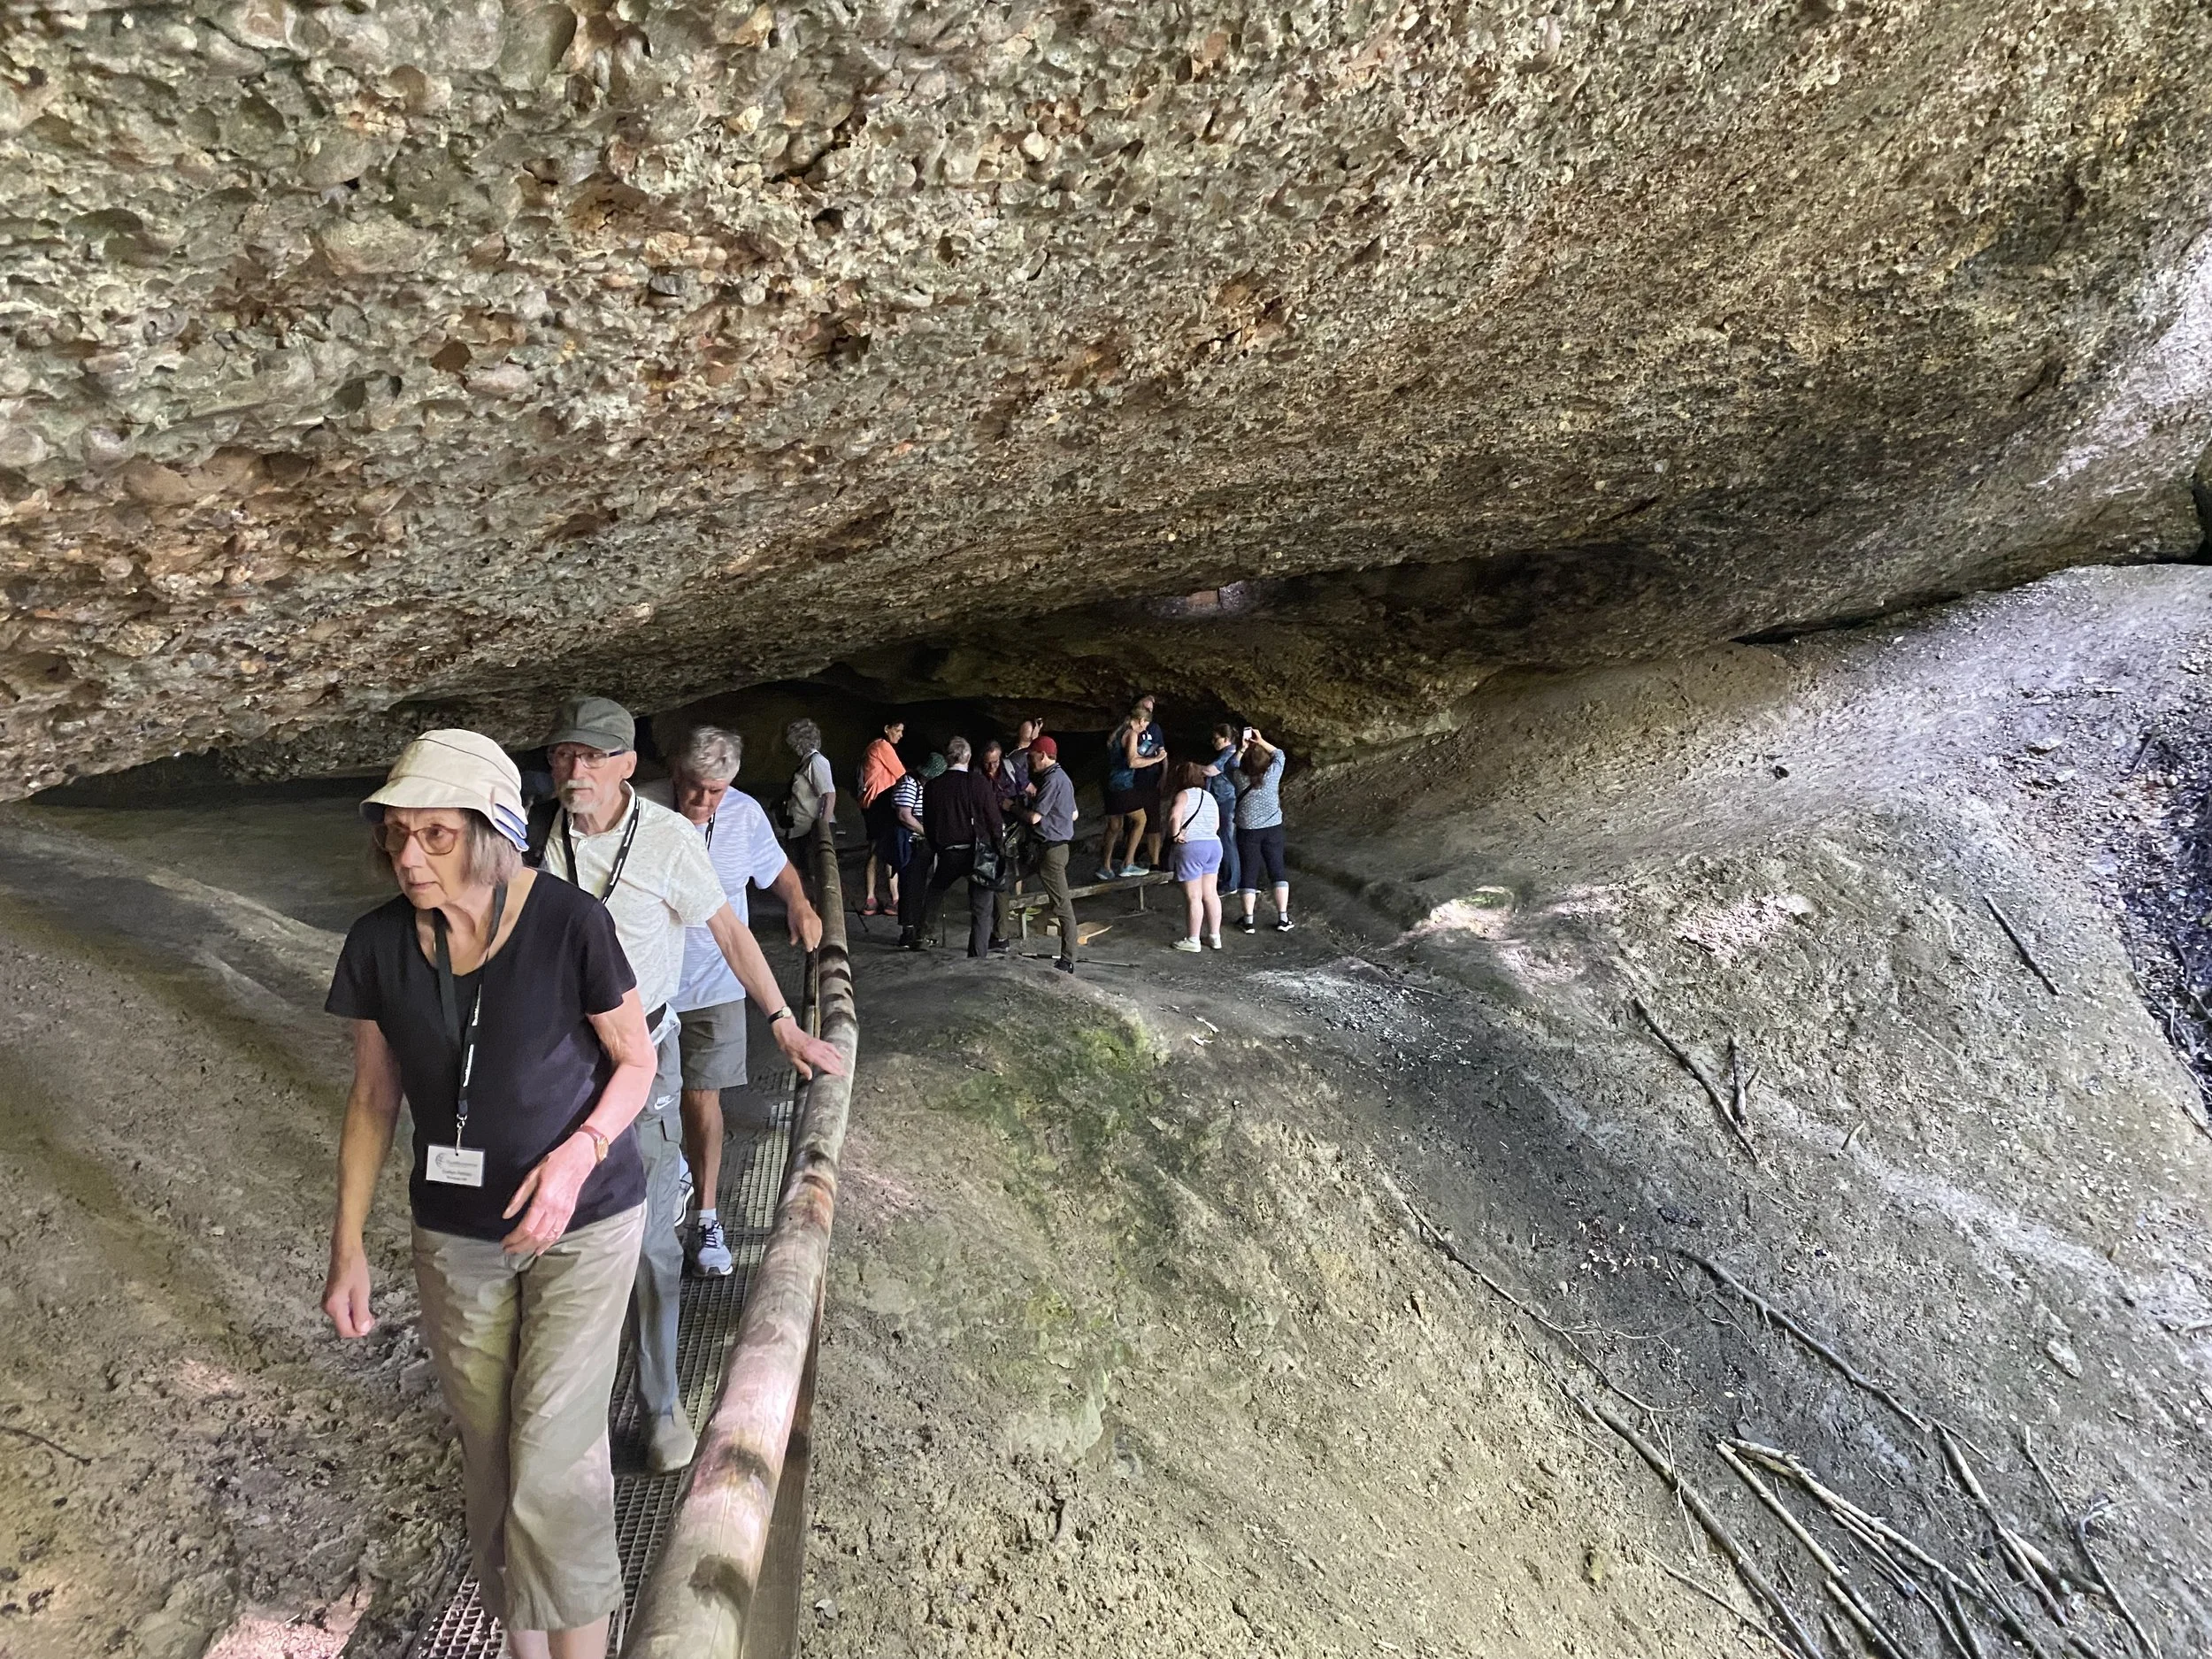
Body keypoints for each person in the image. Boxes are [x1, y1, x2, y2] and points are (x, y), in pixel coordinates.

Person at [323, 729, 657, 1659]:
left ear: (489, 833)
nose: (410, 856)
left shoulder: (570, 923)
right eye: (397, 834)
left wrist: (578, 1154)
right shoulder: (378, 944)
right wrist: (347, 1248)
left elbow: (636, 1062)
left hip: (585, 1220)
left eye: (435, 834)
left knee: (553, 1454)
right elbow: (373, 1098)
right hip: (458, 1230)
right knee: (494, 1455)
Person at [537, 697, 843, 1474]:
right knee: (557, 1226)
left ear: (626, 765)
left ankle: (661, 1402)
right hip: (553, 1057)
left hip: (643, 1049)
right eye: (564, 755)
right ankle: (563, 1404)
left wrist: (782, 1019)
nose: (576, 770)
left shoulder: (667, 836)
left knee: (645, 1232)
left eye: (592, 756)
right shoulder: (535, 835)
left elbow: (730, 930)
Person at [640, 726, 823, 1279]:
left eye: (715, 791)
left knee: (703, 1098)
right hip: (649, 986)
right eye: (694, 786)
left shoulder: (743, 814)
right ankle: (660, 1197)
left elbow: (776, 868)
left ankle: (706, 1215)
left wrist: (798, 903)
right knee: (649, 1103)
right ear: (675, 773)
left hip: (718, 981)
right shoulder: (640, 808)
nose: (702, 800)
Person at [917, 735, 1004, 957]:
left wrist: (937, 846)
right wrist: (998, 846)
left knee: (935, 891)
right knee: (982, 907)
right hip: (978, 852)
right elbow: (993, 819)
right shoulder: (978, 783)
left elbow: (929, 823)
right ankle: (978, 954)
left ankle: (923, 936)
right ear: (968, 756)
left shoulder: (933, 786)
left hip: (948, 851)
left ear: (947, 758)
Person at [1022, 735, 1079, 973]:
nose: (1030, 761)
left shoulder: (1052, 780)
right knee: (1003, 883)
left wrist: (1012, 807)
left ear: (1043, 756)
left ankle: (1068, 959)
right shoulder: (1062, 778)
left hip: (1050, 850)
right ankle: (999, 936)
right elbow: (1074, 814)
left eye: (1032, 756)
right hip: (1053, 847)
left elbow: (1035, 818)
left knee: (1062, 906)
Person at [1099, 695, 1167, 879]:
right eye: (1145, 725)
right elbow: (1132, 762)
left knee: (1115, 826)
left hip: (1110, 784)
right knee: (1141, 820)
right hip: (1123, 785)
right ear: (1141, 720)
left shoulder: (1117, 732)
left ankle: (1105, 867)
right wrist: (1156, 759)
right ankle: (1128, 864)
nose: (1145, 729)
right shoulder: (1132, 734)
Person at [1234, 726, 1292, 933]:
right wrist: (1260, 741)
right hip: (1273, 828)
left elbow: (1230, 764)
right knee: (1277, 871)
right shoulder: (1272, 775)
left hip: (1248, 830)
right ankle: (1283, 918)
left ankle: (1248, 921)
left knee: (1249, 872)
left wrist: (1242, 748)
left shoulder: (1239, 777)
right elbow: (1279, 754)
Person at [1164, 759, 1224, 952]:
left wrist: (1175, 835)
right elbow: (1216, 825)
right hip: (1214, 845)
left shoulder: (1183, 795)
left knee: (1194, 896)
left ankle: (1193, 940)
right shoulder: (1210, 797)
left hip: (1192, 847)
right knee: (1211, 893)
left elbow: (1174, 816)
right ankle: (1215, 937)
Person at [892, 752, 944, 949]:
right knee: (911, 886)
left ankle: (918, 931)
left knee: (920, 886)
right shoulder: (909, 783)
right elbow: (904, 815)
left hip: (923, 842)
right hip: (911, 843)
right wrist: (927, 832)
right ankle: (909, 932)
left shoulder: (927, 786)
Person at [856, 718, 905, 917]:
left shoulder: (871, 747)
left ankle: (871, 899)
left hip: (871, 805)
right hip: (882, 805)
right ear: (886, 728)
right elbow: (901, 774)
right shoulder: (882, 746)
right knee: (887, 850)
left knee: (875, 850)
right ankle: (895, 899)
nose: (900, 735)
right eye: (898, 730)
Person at [783, 719, 837, 868]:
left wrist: (823, 829)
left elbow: (829, 795)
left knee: (814, 874)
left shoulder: (816, 761)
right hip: (801, 830)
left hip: (811, 831)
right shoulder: (805, 762)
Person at [1203, 722, 1242, 900]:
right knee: (1227, 840)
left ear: (1226, 739)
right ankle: (1230, 880)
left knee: (1227, 841)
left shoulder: (1229, 753)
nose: (1213, 742)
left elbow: (1211, 770)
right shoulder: (1228, 753)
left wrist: (1194, 769)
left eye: (1216, 739)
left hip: (1226, 801)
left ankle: (1230, 883)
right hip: (1224, 800)